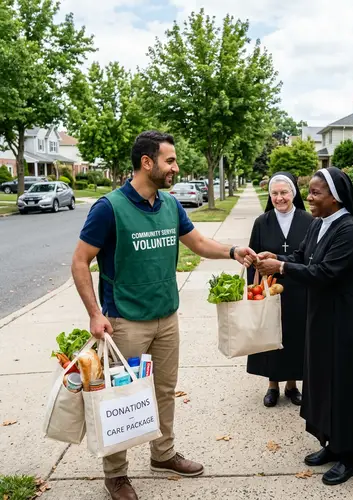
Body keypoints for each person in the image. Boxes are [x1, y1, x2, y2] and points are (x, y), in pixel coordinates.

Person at [71, 131, 256, 500]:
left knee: (164, 392)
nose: (175, 167)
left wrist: (233, 250)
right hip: (124, 321)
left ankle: (163, 453)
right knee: (120, 398)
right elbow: (79, 261)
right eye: (169, 160)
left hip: (166, 318)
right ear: (147, 162)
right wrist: (95, 313)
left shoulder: (170, 206)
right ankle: (116, 473)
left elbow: (199, 243)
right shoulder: (109, 208)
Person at [247, 167, 353, 486]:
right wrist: (276, 259)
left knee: (344, 381)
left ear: (336, 198)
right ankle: (331, 442)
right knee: (324, 378)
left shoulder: (350, 230)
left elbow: (326, 272)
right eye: (309, 192)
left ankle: (349, 456)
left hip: (349, 315)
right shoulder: (318, 224)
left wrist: (283, 266)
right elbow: (304, 256)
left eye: (315, 193)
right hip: (325, 313)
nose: (308, 198)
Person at [247, 172, 313, 407]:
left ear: (293, 193)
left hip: (299, 288)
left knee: (295, 336)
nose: (279, 198)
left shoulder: (309, 220)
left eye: (284, 192)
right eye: (274, 193)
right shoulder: (261, 222)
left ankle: (292, 385)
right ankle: (272, 385)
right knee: (271, 337)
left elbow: (309, 258)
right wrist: (252, 291)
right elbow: (252, 259)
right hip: (269, 289)